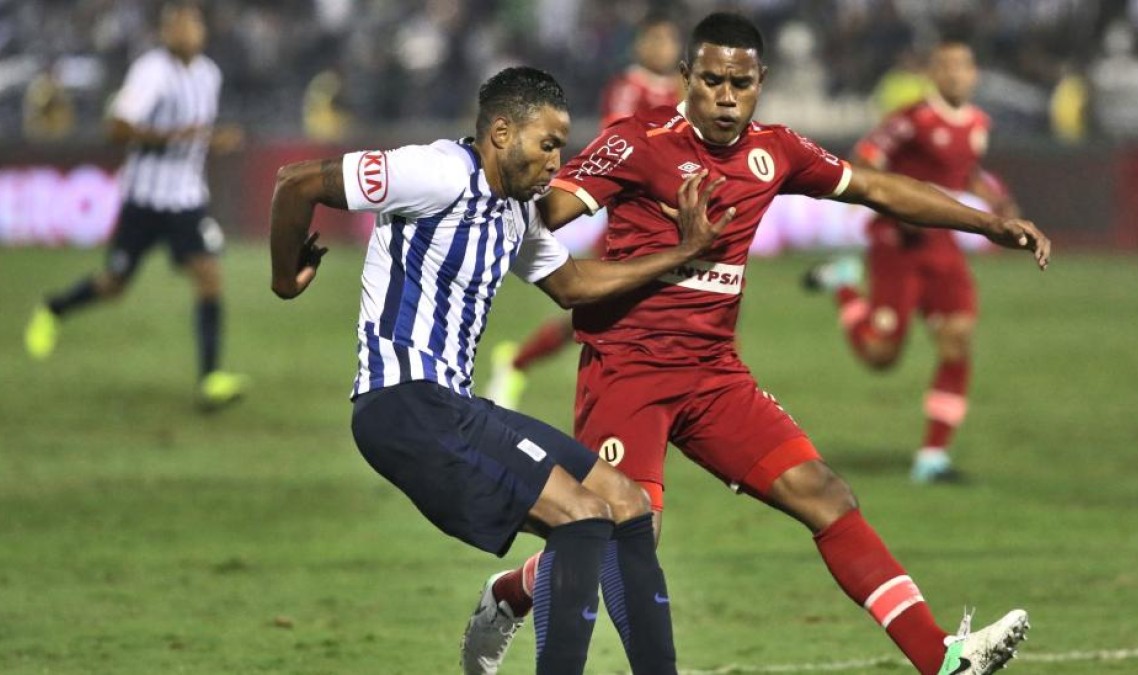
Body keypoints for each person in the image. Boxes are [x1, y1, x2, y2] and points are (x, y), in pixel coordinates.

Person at [463, 13, 1049, 675]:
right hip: (628, 372)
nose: (725, 96)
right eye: (711, 80)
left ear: (761, 81)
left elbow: (876, 188)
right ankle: (511, 592)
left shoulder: (777, 151)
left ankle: (942, 659)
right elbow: (540, 213)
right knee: (626, 538)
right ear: (686, 77)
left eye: (739, 83)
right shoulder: (636, 142)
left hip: (714, 374)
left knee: (825, 494)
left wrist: (986, 223)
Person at [268, 66, 735, 675]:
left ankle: (565, 625)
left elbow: (571, 285)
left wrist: (683, 253)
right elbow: (297, 181)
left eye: (561, 148)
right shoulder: (434, 173)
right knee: (582, 517)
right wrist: (285, 278)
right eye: (548, 144)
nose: (556, 162)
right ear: (502, 133)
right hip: (402, 402)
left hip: (451, 404)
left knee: (626, 503)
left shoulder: (516, 211)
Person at [803, 41, 1021, 483]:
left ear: (974, 75)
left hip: (941, 243)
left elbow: (966, 174)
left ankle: (932, 458)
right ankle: (844, 282)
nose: (955, 74)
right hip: (895, 243)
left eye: (963, 66)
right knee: (880, 355)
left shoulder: (978, 124)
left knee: (957, 338)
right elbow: (867, 158)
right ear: (933, 75)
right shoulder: (911, 120)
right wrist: (893, 205)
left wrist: (999, 203)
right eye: (947, 67)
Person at [23, 2, 247, 410]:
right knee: (114, 284)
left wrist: (211, 139)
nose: (183, 31)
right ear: (165, 31)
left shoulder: (208, 75)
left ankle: (211, 379)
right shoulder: (151, 71)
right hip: (143, 199)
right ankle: (53, 308)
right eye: (175, 24)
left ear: (201, 30)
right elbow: (117, 128)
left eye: (190, 23)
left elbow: (197, 134)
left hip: (185, 199)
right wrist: (181, 135)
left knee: (209, 275)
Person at [484, 12, 682, 410]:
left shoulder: (685, 90)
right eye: (656, 40)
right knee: (592, 307)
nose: (663, 49)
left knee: (698, 305)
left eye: (669, 40)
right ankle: (517, 363)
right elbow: (621, 148)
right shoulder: (628, 88)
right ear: (641, 44)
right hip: (632, 222)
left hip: (674, 222)